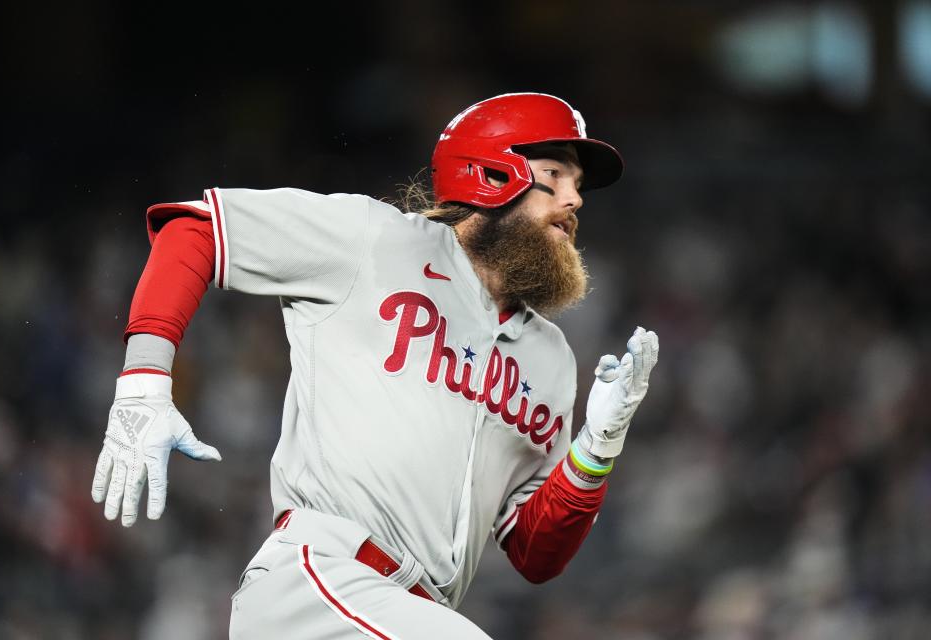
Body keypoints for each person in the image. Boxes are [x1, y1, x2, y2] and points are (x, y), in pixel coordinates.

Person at [91, 92, 659, 639]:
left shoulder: (551, 358)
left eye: (579, 186)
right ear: (490, 171)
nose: (575, 200)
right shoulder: (372, 239)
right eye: (556, 175)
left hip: (405, 615)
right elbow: (196, 229)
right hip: (321, 584)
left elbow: (534, 553)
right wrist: (144, 380)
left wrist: (596, 449)